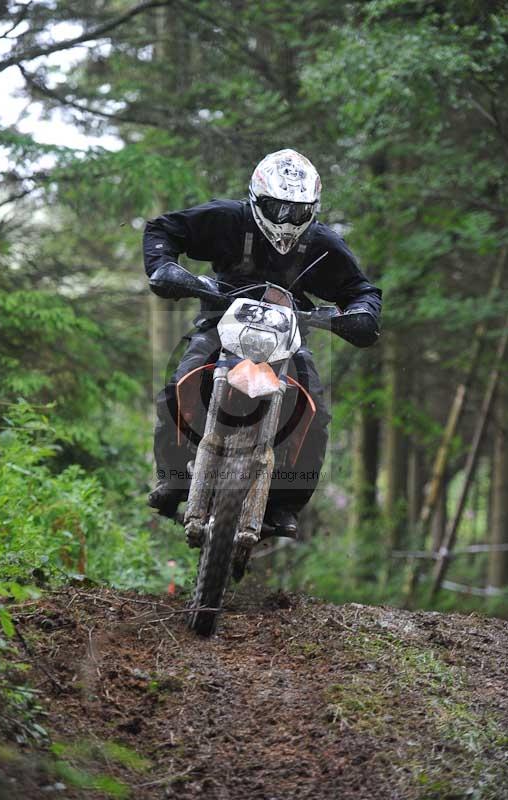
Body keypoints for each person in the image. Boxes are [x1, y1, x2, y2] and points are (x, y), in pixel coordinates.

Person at [143, 149, 382, 536]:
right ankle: (173, 476)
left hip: (289, 334)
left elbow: (361, 289)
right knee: (180, 382)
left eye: (297, 211)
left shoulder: (322, 244)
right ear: (257, 199)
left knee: (315, 410)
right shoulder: (229, 219)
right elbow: (163, 230)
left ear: (313, 209)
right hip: (220, 318)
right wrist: (164, 267)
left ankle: (286, 503)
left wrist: (361, 315)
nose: (286, 220)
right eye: (277, 208)